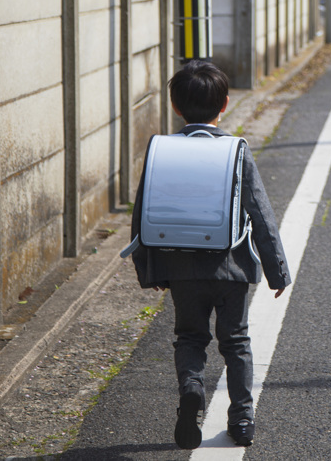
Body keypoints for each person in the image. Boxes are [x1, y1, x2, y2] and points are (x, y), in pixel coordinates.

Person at [130, 59, 291, 448]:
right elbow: (261, 213)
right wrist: (277, 272)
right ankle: (242, 420)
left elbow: (143, 215)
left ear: (175, 106)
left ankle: (192, 390)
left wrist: (149, 271)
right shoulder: (235, 151)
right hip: (232, 268)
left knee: (189, 338)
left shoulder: (163, 150)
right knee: (235, 342)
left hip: (182, 268)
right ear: (225, 105)